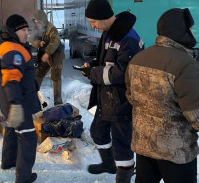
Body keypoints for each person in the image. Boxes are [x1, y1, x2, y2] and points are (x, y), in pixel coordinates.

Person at [125, 8, 199, 183]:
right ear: (181, 30)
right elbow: (196, 110)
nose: (192, 32)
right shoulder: (186, 64)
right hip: (176, 151)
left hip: (144, 145)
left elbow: (131, 97)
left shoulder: (138, 59)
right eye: (190, 28)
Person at [80, 0, 144, 182]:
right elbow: (105, 61)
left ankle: (124, 176)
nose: (92, 25)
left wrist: (93, 73)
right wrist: (92, 65)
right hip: (107, 98)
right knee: (97, 132)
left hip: (122, 101)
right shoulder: (109, 34)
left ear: (102, 17)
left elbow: (123, 74)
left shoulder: (128, 38)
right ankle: (108, 164)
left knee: (122, 144)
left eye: (93, 21)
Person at [0, 14, 41, 183]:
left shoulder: (10, 45)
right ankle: (23, 177)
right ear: (14, 31)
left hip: (9, 101)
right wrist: (15, 105)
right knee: (28, 137)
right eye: (23, 30)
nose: (26, 33)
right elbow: (11, 79)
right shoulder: (13, 50)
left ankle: (8, 162)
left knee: (11, 130)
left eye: (27, 29)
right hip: (17, 103)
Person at [29, 10, 65, 105]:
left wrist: (47, 53)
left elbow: (55, 41)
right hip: (43, 53)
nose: (36, 23)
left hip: (55, 53)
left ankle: (58, 101)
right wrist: (38, 43)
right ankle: (33, 98)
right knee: (38, 73)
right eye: (35, 21)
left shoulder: (51, 28)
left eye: (38, 21)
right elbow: (32, 39)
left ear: (42, 20)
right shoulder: (36, 28)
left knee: (56, 75)